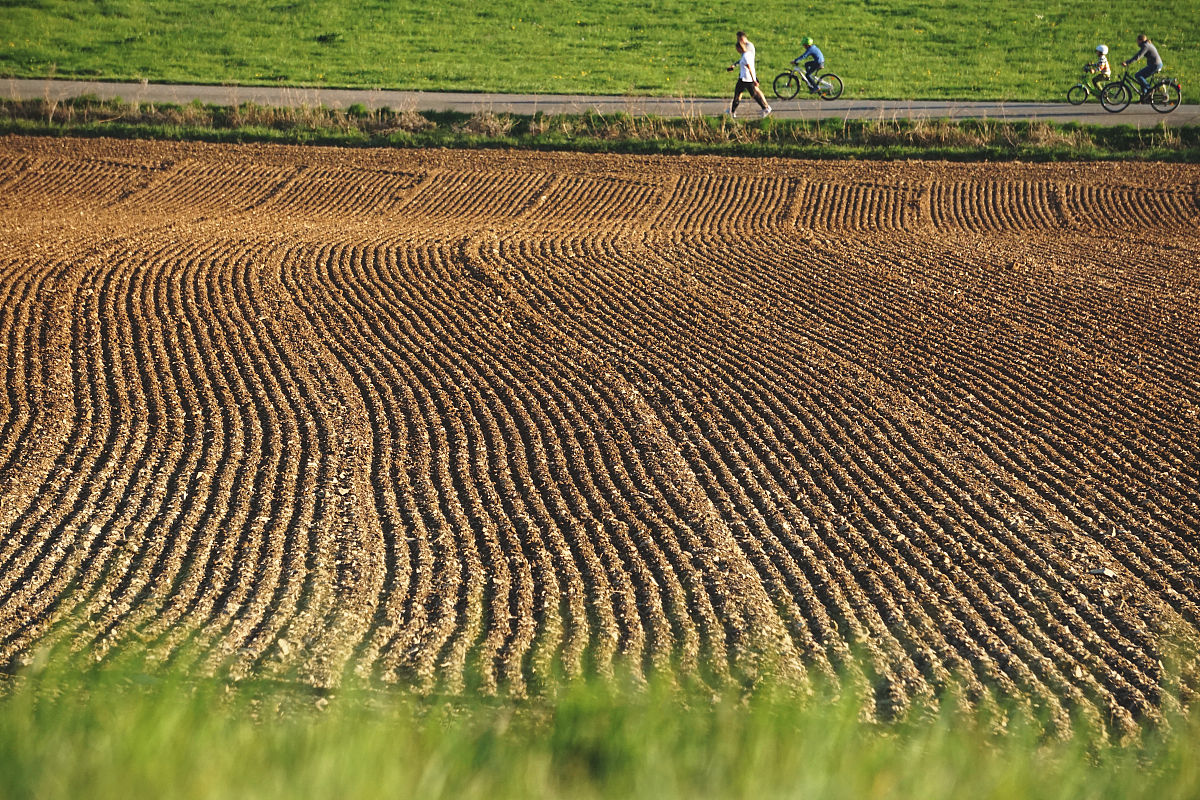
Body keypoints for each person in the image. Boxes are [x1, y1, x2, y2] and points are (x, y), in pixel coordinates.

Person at [726, 31, 772, 118]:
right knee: (742, 94)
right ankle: (732, 111)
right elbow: (743, 61)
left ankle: (765, 107)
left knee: (753, 94)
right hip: (745, 77)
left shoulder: (748, 50)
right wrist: (734, 65)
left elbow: (748, 66)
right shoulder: (745, 54)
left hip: (747, 78)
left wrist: (754, 79)